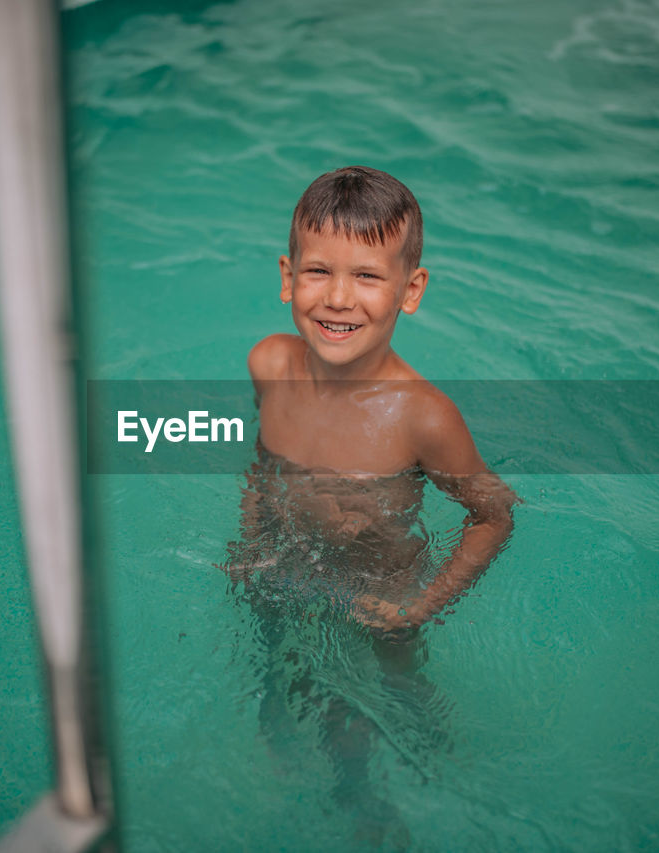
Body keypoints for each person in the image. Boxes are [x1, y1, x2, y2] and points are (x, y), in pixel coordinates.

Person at [222, 166, 518, 848]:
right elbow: (264, 462)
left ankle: (380, 805)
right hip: (282, 560)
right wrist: (251, 538)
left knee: (363, 719)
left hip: (377, 596)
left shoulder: (423, 418)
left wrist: (422, 604)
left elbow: (493, 515)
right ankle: (276, 716)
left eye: (366, 276)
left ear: (410, 291)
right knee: (274, 659)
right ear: (287, 275)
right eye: (319, 271)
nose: (337, 298)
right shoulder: (269, 362)